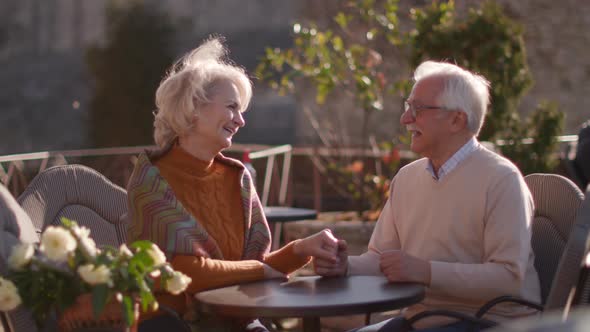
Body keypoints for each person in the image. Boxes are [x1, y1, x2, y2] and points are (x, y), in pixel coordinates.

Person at [126, 37, 340, 331]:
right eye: (231, 107)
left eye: (241, 111)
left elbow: (255, 266)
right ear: (193, 109)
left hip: (236, 317)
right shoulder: (151, 181)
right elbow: (185, 273)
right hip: (171, 323)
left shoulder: (236, 178)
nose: (240, 121)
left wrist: (302, 249)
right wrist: (266, 269)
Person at [313, 61, 541, 331]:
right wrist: (345, 266)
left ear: (457, 119)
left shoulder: (502, 180)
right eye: (407, 107)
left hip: (490, 323)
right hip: (420, 321)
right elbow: (382, 258)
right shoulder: (407, 178)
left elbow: (507, 277)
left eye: (418, 109)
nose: (405, 119)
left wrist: (426, 271)